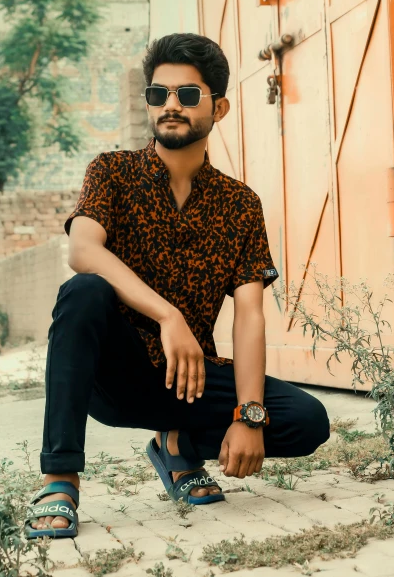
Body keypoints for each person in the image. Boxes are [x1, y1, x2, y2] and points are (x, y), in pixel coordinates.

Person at [25, 33, 330, 539]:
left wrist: (248, 416)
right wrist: (170, 316)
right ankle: (60, 479)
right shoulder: (112, 173)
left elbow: (251, 314)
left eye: (188, 95)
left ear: (220, 107)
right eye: (158, 94)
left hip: (187, 381)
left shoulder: (239, 204)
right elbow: (83, 251)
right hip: (115, 374)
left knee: (306, 419)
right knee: (84, 292)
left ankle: (176, 447)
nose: (171, 105)